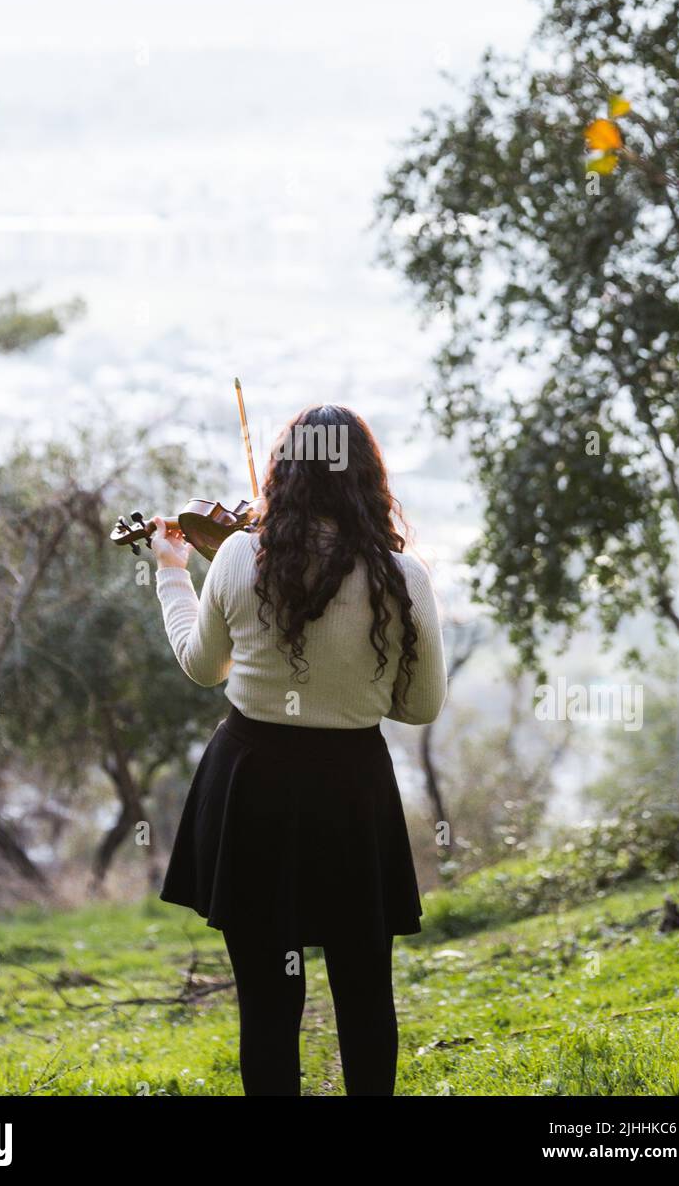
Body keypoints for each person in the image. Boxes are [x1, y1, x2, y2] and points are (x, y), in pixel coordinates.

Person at [151, 403, 448, 1096]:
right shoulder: (402, 578)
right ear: (368, 479)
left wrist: (171, 573)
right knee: (365, 990)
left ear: (282, 475)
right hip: (352, 790)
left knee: (267, 1003)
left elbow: (203, 667)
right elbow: (421, 706)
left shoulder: (234, 556)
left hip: (251, 784)